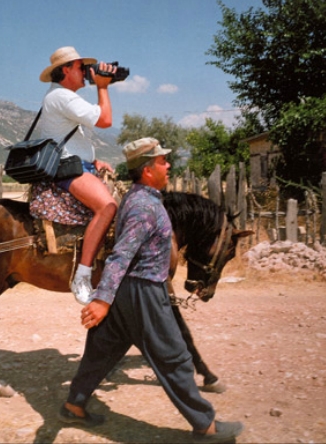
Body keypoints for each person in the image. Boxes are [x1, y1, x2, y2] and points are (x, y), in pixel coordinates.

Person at [57, 137, 244, 443]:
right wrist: (102, 300)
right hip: (143, 291)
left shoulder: (140, 197)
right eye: (161, 161)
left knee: (102, 351)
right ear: (147, 170)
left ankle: (73, 404)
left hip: (127, 292)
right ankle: (206, 426)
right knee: (176, 358)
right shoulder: (144, 206)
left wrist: (109, 298)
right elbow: (121, 254)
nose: (168, 165)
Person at [39, 46, 118, 305]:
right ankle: (82, 276)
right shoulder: (63, 96)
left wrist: (93, 161)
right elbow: (105, 120)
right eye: (80, 67)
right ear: (66, 70)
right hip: (67, 168)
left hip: (77, 164)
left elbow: (64, 139)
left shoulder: (61, 96)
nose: (86, 72)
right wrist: (103, 86)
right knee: (107, 206)